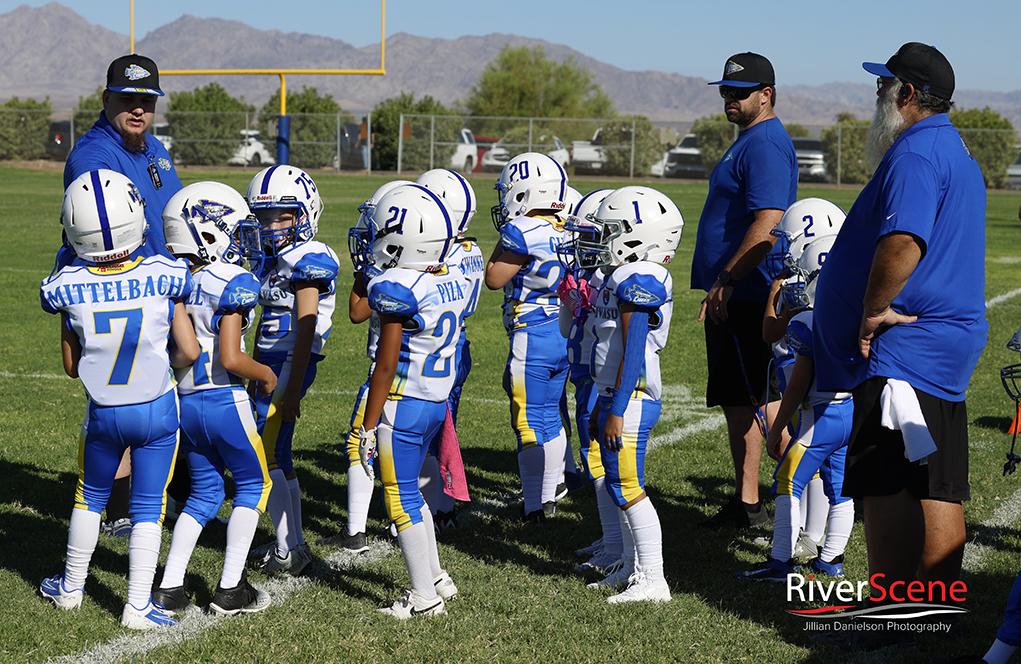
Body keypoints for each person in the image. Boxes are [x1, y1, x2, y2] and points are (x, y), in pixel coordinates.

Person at [812, 42, 987, 650]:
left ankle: (891, 617)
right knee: (936, 480)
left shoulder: (916, 151)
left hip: (907, 344)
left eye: (883, 87)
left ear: (906, 94)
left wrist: (869, 312)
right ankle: (932, 615)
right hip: (941, 341)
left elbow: (903, 242)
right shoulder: (953, 148)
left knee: (888, 484)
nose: (876, 98)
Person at [39, 170, 199, 629]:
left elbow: (72, 367)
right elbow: (187, 350)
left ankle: (70, 588)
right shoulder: (165, 274)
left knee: (89, 498)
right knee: (149, 507)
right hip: (158, 408)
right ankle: (136, 606)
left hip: (105, 413)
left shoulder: (65, 286)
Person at [62, 54, 186, 535]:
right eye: (128, 99)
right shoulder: (93, 157)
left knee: (155, 394)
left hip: (160, 286)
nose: (138, 110)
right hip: (121, 288)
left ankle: (152, 497)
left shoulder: (153, 147)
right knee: (124, 398)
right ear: (106, 98)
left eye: (147, 101)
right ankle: (117, 508)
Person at [153, 182, 276, 616]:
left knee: (203, 494)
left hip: (187, 402)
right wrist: (265, 375)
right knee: (254, 485)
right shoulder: (234, 280)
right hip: (225, 400)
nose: (245, 239)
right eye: (236, 230)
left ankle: (169, 586)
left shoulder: (176, 280)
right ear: (208, 233)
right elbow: (230, 355)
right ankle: (230, 590)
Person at [690, 52, 798, 529]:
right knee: (749, 398)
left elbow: (769, 222)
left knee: (755, 398)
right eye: (725, 91)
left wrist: (728, 280)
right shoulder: (752, 140)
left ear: (766, 94)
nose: (729, 99)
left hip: (748, 292)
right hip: (740, 291)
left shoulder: (765, 143)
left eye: (739, 92)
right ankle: (755, 499)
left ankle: (778, 502)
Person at [357, 183, 467, 618]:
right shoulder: (451, 277)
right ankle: (437, 575)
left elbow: (384, 367)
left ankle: (423, 597)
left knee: (399, 498)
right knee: (413, 494)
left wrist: (367, 426)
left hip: (401, 404)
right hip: (435, 402)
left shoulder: (396, 287)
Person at [570, 186, 683, 602]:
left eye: (608, 229)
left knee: (628, 486)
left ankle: (653, 578)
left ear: (637, 236)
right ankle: (632, 568)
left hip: (631, 397)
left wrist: (614, 406)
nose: (599, 236)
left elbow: (634, 348)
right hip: (618, 394)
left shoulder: (641, 276)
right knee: (619, 485)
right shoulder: (621, 275)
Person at [737, 227, 854, 582]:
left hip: (819, 415)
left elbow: (798, 385)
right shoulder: (854, 318)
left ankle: (780, 562)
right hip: (847, 412)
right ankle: (831, 559)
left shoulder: (805, 321)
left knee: (788, 481)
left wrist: (777, 427)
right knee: (840, 488)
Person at [246, 166, 340, 576]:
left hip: (288, 365)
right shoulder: (272, 258)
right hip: (271, 364)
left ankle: (291, 549)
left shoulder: (308, 258)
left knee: (265, 455)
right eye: (264, 217)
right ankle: (292, 541)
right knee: (278, 453)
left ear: (306, 214)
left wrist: (293, 387)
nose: (271, 226)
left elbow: (305, 329)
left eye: (282, 216)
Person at [317, 180, 413, 553]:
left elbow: (357, 312)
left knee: (362, 441)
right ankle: (406, 518)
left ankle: (356, 530)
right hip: (428, 373)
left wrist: (363, 271)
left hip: (390, 373)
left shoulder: (385, 276)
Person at [485, 152, 571, 523]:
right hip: (563, 331)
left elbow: (494, 278)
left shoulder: (521, 231)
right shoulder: (569, 228)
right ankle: (550, 496)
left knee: (527, 423)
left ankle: (534, 507)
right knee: (551, 417)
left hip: (531, 335)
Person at [557, 188, 624, 572]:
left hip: (599, 378)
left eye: (587, 234)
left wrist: (578, 299)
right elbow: (570, 327)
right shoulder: (595, 274)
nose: (579, 242)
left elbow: (581, 328)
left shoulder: (609, 278)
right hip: (586, 372)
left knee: (598, 458)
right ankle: (610, 538)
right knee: (592, 455)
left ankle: (615, 543)